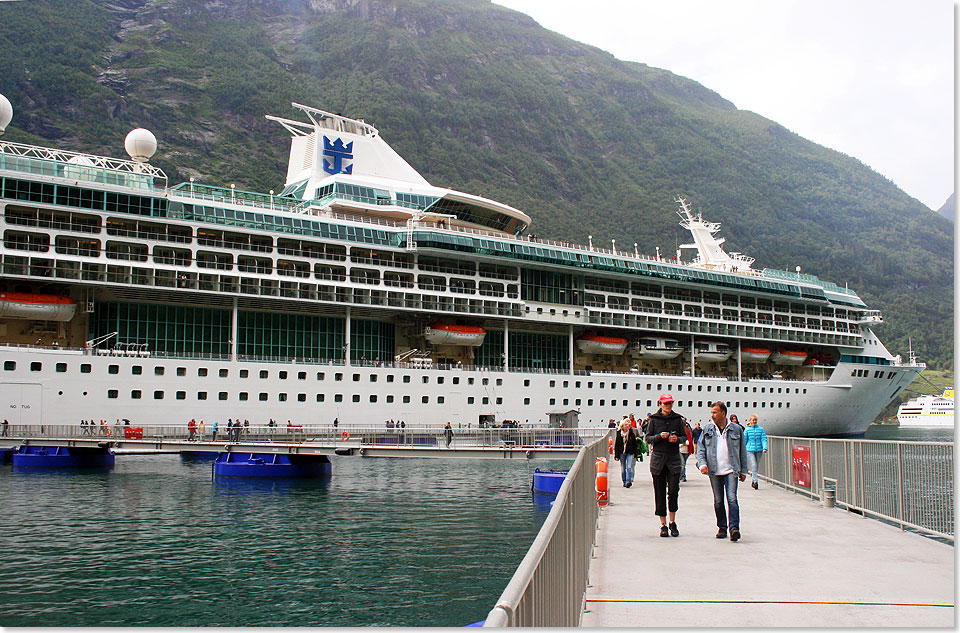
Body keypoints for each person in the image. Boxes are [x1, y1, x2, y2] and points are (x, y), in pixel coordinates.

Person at [696, 401, 749, 542]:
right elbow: (701, 449)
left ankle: (734, 528)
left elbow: (742, 450)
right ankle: (722, 527)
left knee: (732, 498)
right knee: (718, 501)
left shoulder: (736, 429)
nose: (712, 415)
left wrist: (743, 470)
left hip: (731, 469)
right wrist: (702, 465)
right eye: (712, 412)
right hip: (714, 470)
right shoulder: (707, 429)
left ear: (723, 413)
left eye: (715, 412)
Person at [645, 394, 686, 537]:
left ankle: (672, 522)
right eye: (666, 403)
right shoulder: (654, 420)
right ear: (660, 404)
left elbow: (684, 436)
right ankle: (663, 524)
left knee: (673, 491)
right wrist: (659, 437)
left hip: (673, 459)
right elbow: (648, 438)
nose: (669, 406)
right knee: (660, 492)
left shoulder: (678, 419)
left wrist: (677, 439)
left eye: (670, 403)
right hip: (658, 460)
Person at [743, 414, 769, 489]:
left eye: (755, 420)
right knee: (754, 465)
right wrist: (743, 449)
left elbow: (763, 439)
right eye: (753, 420)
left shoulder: (761, 429)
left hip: (759, 449)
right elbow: (745, 440)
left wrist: (765, 448)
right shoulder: (747, 430)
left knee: (756, 465)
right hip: (750, 449)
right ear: (750, 421)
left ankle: (753, 478)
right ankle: (755, 481)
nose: (754, 421)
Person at [613, 419, 639, 488]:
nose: (627, 426)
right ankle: (624, 481)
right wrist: (616, 455)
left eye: (628, 425)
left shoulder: (631, 433)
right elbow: (617, 445)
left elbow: (634, 444)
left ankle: (628, 481)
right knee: (623, 468)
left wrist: (636, 454)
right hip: (622, 453)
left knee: (629, 467)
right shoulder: (619, 433)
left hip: (629, 452)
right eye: (626, 425)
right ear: (622, 426)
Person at [678, 417, 693, 482]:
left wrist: (686, 443)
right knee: (682, 464)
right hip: (680, 450)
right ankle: (682, 476)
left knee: (683, 464)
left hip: (686, 450)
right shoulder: (678, 431)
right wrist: (681, 444)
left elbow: (689, 439)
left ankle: (681, 475)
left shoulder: (687, 430)